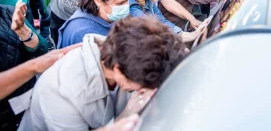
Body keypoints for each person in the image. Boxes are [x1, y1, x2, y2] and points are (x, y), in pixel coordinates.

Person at [19, 16, 187, 130]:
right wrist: (124, 118)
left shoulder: (123, 50)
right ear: (118, 71)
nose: (144, 91)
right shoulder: (62, 92)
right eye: (142, 88)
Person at [0, 0, 48, 130]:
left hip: (30, 105)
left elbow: (42, 50)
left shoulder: (8, 13)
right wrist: (32, 67)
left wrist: (24, 32)